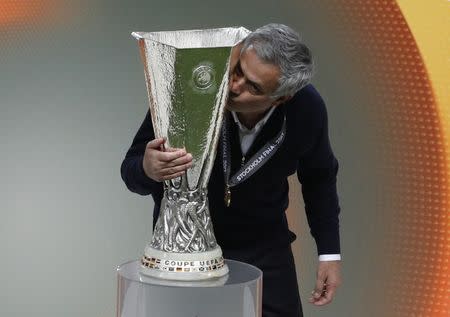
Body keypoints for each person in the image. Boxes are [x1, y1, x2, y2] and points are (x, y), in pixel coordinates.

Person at [121, 23, 342, 317]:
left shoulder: (307, 108)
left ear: (282, 97)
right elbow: (131, 171)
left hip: (264, 249)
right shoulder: (190, 87)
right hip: (186, 255)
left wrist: (329, 253)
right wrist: (148, 169)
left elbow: (319, 179)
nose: (234, 86)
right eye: (237, 69)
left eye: (253, 87)